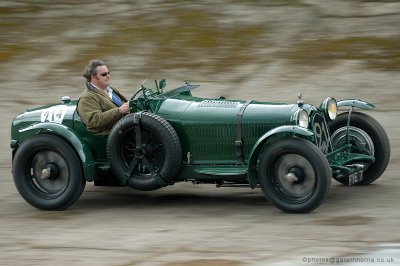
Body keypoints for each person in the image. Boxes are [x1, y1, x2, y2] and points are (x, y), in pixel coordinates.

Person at [77, 59, 130, 135]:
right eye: (104, 74)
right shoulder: (87, 97)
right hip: (113, 135)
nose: (108, 76)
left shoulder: (112, 90)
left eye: (109, 73)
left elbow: (126, 106)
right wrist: (119, 111)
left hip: (126, 127)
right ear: (93, 77)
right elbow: (94, 121)